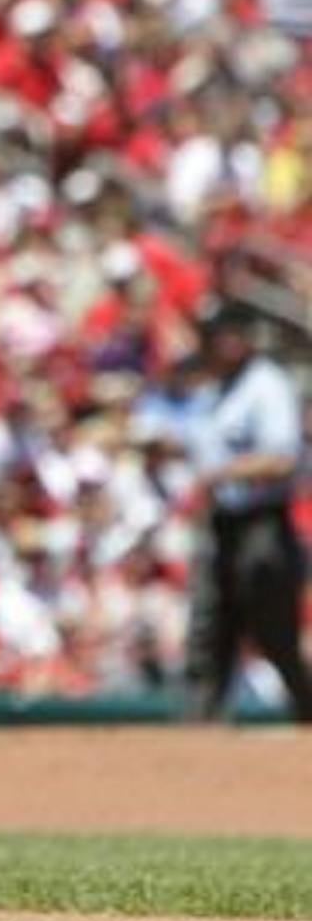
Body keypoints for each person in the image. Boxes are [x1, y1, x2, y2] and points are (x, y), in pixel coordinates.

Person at [182, 299, 310, 724]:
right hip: (223, 521)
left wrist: (223, 473)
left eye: (227, 333)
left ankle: (306, 710)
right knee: (209, 622)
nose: (220, 342)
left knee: (272, 625)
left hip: (263, 521)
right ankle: (202, 723)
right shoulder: (214, 389)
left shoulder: (266, 384)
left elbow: (282, 457)